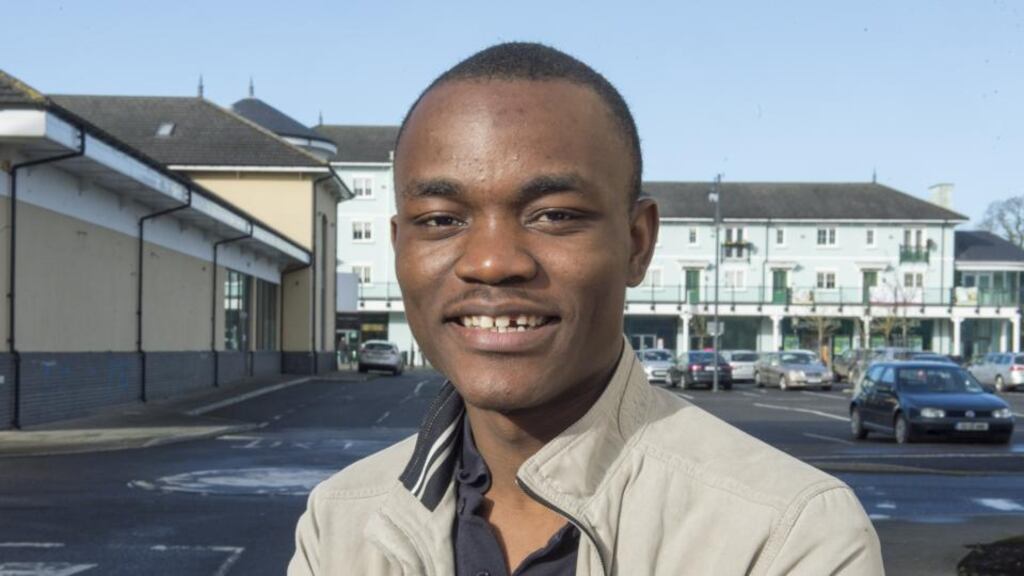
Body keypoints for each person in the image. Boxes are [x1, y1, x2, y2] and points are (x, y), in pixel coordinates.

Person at [289, 42, 883, 575]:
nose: (493, 263)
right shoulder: (341, 524)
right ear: (399, 249)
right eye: (442, 220)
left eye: (554, 215)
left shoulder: (786, 535)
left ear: (637, 244)